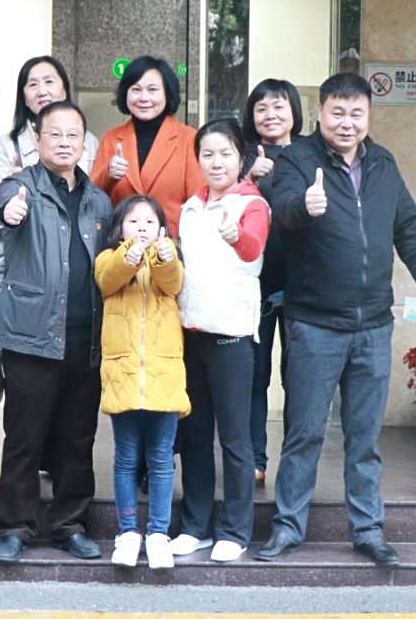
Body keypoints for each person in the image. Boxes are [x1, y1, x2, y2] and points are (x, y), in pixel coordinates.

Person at [256, 73, 416, 568]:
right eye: (337, 112)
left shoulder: (383, 163)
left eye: (356, 114)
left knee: (364, 437)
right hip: (314, 323)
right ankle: (287, 527)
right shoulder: (298, 160)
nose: (347, 123)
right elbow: (280, 207)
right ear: (320, 113)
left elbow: (408, 224)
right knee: (304, 433)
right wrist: (304, 205)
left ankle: (368, 530)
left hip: (373, 325)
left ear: (368, 117)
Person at [0, 100, 112, 565]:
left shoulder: (99, 200)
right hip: (32, 335)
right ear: (37, 141)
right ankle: (14, 526)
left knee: (77, 439)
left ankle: (70, 524)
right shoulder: (20, 186)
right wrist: (11, 211)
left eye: (72, 135)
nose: (63, 142)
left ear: (84, 143)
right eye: (54, 134)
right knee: (24, 436)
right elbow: (5, 209)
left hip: (86, 337)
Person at [170, 119, 270, 564]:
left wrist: (236, 235)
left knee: (234, 438)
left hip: (231, 338)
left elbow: (252, 248)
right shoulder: (191, 208)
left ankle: (235, 529)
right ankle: (196, 527)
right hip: (191, 336)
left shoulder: (252, 204)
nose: (216, 162)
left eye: (225, 153)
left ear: (241, 158)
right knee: (193, 436)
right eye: (207, 154)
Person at [93, 195, 188, 571]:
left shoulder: (169, 257)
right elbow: (108, 279)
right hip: (124, 375)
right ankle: (128, 532)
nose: (142, 228)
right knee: (126, 459)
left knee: (162, 460)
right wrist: (127, 258)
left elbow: (173, 283)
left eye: (149, 222)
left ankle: (159, 534)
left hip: (164, 375)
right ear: (120, 229)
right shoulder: (108, 257)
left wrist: (164, 257)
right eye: (133, 221)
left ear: (162, 229)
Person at [239, 78, 303, 486]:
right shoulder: (241, 156)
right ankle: (254, 459)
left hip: (302, 287)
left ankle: (295, 462)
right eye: (261, 108)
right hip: (253, 285)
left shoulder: (310, 154)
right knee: (254, 376)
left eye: (279, 106)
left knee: (297, 378)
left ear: (294, 111)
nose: (270, 115)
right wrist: (248, 174)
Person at [90, 56, 204, 236]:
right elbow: (91, 198)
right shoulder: (111, 139)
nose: (144, 98)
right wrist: (109, 175)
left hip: (171, 244)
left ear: (167, 93)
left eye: (152, 90)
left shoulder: (189, 138)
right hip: (122, 246)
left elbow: (198, 201)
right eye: (136, 90)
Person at [0, 55, 99, 183]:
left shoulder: (89, 142)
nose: (42, 92)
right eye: (33, 84)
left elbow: (96, 189)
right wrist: (10, 185)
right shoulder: (7, 145)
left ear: (64, 91)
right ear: (25, 99)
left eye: (49, 82)